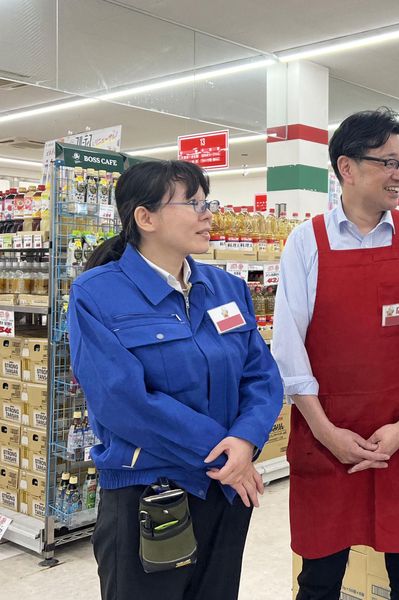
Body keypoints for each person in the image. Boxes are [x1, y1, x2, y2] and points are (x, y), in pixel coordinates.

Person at [68, 160, 284, 600]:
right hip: (149, 492)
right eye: (194, 204)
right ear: (145, 218)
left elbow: (261, 374)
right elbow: (121, 399)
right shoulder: (96, 293)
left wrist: (244, 441)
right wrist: (221, 452)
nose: (208, 214)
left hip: (226, 490)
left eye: (208, 203)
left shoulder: (226, 287)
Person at [272, 107, 399, 600]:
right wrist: (327, 432)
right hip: (328, 437)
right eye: (388, 162)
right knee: (320, 580)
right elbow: (288, 348)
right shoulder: (306, 242)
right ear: (347, 168)